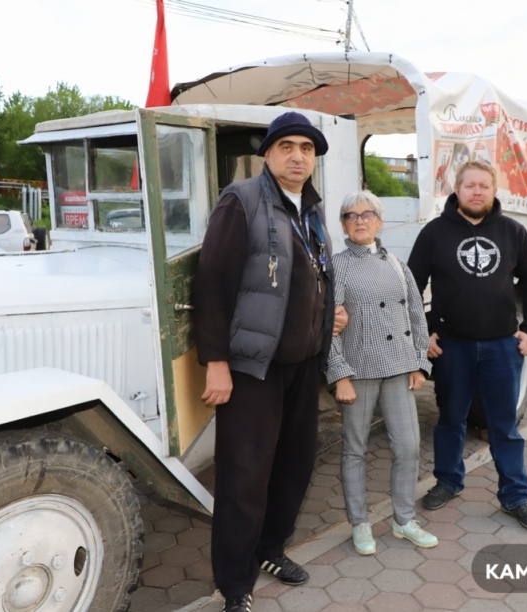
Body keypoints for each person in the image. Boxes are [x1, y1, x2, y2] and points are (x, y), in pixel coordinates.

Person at [193, 111, 345, 612]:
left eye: (307, 148)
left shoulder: (312, 208)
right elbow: (212, 284)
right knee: (244, 476)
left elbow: (312, 275)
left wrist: (327, 318)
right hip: (252, 366)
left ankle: (270, 550)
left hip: (302, 364)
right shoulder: (242, 200)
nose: (298, 156)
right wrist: (215, 361)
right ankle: (235, 586)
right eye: (287, 147)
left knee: (294, 466)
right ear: (268, 154)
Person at [407, 159, 527, 531]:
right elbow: (411, 286)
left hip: (503, 346)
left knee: (504, 426)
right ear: (457, 190)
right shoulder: (435, 233)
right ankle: (448, 481)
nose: (477, 191)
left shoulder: (513, 232)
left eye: (484, 185)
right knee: (451, 419)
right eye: (470, 185)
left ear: (494, 190)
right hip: (452, 346)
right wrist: (423, 335)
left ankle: (516, 496)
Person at [327, 191, 438, 556]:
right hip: (357, 370)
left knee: (407, 446)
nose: (360, 220)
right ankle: (360, 523)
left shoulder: (395, 262)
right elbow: (328, 324)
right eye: (351, 215)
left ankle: (403, 520)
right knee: (355, 449)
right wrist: (339, 374)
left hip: (398, 367)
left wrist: (421, 362)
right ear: (343, 224)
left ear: (380, 220)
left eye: (368, 213)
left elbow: (415, 315)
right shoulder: (338, 265)